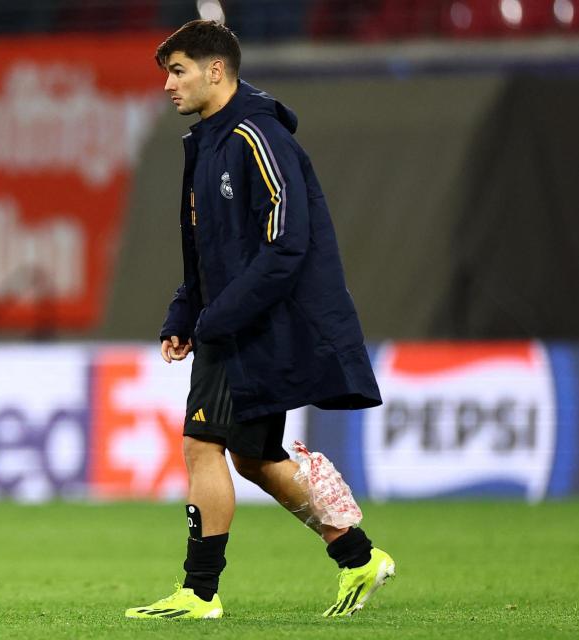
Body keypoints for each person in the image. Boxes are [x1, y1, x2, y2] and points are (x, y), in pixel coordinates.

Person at [125, 20, 394, 620]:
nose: (168, 85)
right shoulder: (206, 144)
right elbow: (206, 251)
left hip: (253, 325)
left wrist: (217, 317)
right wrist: (184, 311)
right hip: (232, 320)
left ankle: (199, 592)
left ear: (215, 70)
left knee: (201, 445)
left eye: (178, 71)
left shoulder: (257, 136)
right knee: (252, 456)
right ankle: (357, 556)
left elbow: (287, 242)